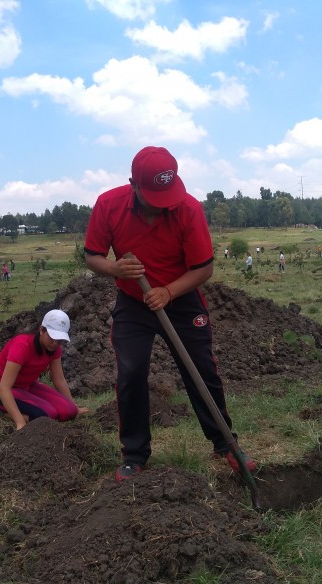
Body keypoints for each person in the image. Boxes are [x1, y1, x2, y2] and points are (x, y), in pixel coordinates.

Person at [84, 145, 256, 482]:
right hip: (134, 302)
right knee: (130, 373)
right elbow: (92, 256)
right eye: (154, 196)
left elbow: (204, 268)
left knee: (201, 370)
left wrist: (168, 291)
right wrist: (115, 268)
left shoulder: (188, 208)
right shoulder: (109, 205)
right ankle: (134, 455)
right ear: (133, 184)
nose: (163, 204)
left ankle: (225, 443)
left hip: (182, 298)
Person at [0, 309, 86, 428]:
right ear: (42, 329)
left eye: (59, 340)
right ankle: (5, 413)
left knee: (69, 412)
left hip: (27, 385)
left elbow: (59, 379)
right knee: (47, 415)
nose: (55, 343)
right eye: (52, 337)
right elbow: (4, 388)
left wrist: (74, 408)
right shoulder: (22, 346)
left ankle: (21, 411)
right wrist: (20, 422)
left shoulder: (54, 349)